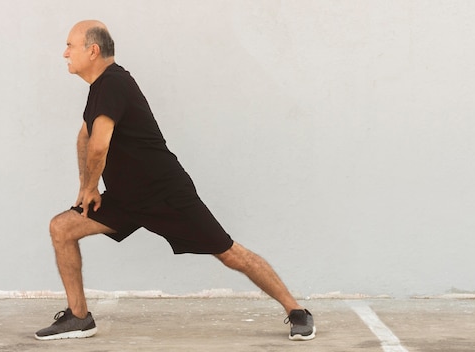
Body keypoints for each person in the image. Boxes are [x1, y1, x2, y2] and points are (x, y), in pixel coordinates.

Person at [34, 20, 315, 342]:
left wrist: (88, 187)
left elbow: (99, 144)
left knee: (229, 253)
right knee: (62, 228)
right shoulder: (101, 88)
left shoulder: (114, 83)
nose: (64, 53)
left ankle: (297, 311)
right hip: (127, 198)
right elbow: (85, 137)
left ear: (92, 50)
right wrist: (88, 186)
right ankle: (79, 317)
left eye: (70, 45)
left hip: (165, 194)